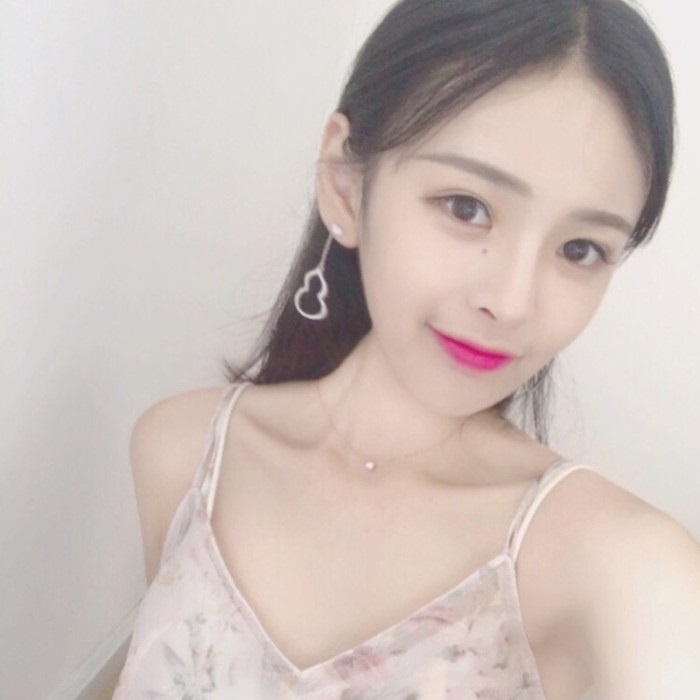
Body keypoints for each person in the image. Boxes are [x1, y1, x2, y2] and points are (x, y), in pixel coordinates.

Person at [115, 0, 700, 697]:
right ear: (345, 186)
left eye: (580, 249)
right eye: (466, 207)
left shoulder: (620, 567)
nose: (512, 303)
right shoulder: (181, 451)